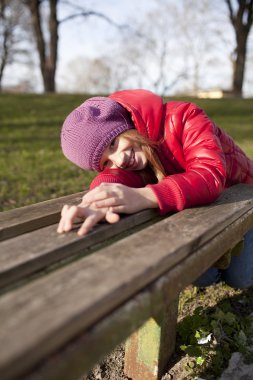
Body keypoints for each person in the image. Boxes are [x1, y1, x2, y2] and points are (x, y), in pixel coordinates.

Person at [57, 89, 253, 289]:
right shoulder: (131, 160)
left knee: (241, 278)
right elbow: (114, 178)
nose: (120, 160)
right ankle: (222, 253)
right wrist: (99, 201)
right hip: (209, 209)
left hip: (244, 200)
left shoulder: (184, 116)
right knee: (204, 277)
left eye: (114, 144)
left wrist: (146, 195)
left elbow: (209, 175)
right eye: (106, 162)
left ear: (126, 125)